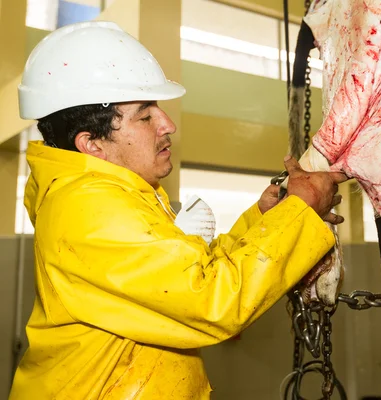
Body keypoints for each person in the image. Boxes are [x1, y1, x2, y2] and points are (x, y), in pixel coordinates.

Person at [9, 21, 347, 399]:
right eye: (145, 114)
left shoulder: (116, 196)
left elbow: (188, 274)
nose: (167, 124)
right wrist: (299, 211)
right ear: (92, 144)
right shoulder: (90, 210)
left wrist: (268, 220)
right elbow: (210, 301)